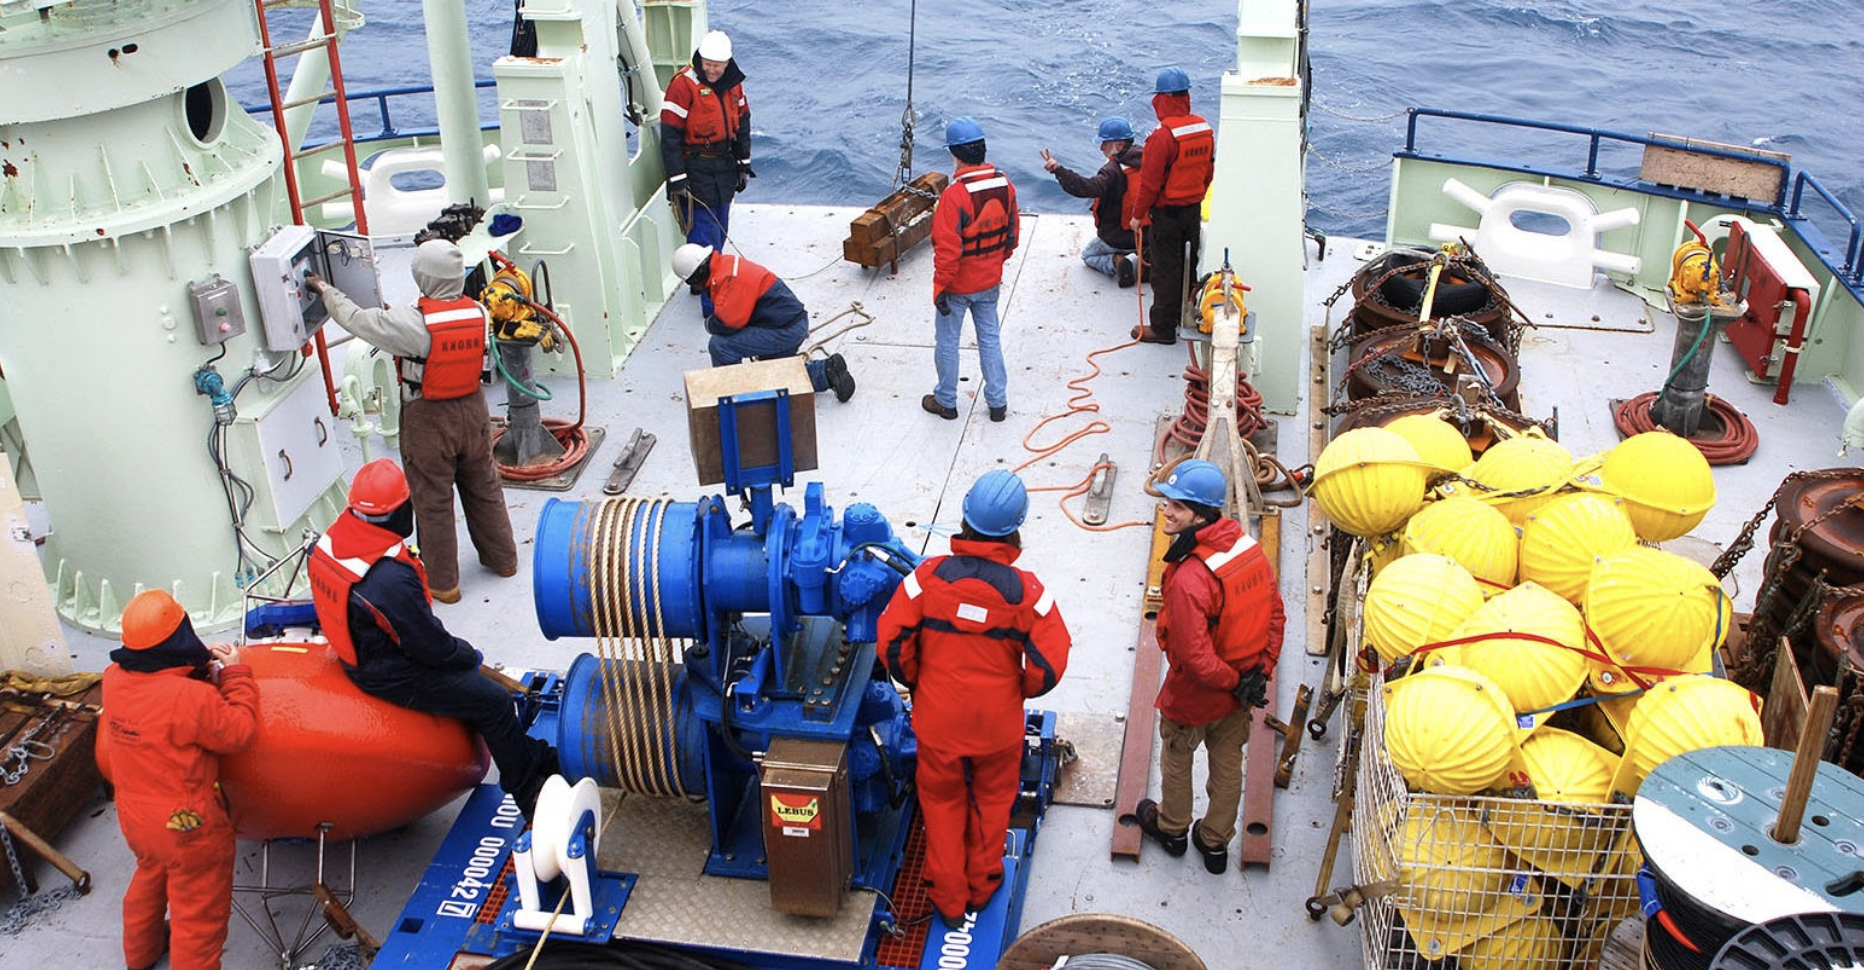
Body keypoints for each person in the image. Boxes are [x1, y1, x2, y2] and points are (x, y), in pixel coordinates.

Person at [308, 458, 558, 820]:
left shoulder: (333, 540)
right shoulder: (388, 579)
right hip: (389, 673)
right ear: (401, 510)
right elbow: (431, 648)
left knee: (475, 692)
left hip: (362, 651)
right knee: (494, 703)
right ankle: (528, 791)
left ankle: (527, 751)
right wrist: (469, 657)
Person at [875, 470, 1071, 928]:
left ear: (963, 520)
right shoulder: (1029, 593)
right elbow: (1049, 665)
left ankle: (947, 897)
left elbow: (891, 643)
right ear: (1017, 527)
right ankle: (983, 884)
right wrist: (1017, 691)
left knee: (941, 803)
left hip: (938, 723)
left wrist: (918, 683)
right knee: (992, 799)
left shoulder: (925, 580)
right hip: (997, 729)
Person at [306, 239, 516, 604]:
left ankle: (444, 584)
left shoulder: (410, 324)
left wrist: (324, 289)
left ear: (422, 277)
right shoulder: (479, 312)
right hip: (475, 412)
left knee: (433, 501)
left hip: (430, 420)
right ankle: (504, 560)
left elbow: (356, 320)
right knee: (484, 487)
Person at [1134, 459, 1284, 876]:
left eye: (1177, 506)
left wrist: (1234, 680)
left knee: (1178, 757)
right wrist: (1259, 674)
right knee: (1227, 762)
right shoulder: (1248, 549)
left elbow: (1195, 658)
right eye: (1167, 502)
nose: (1166, 510)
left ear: (1200, 515)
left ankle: (1173, 829)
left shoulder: (1189, 578)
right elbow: (1276, 614)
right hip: (1241, 689)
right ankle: (1215, 843)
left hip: (1198, 694)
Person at [103, 589, 260, 970]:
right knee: (198, 915)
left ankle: (140, 955)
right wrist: (235, 674)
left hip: (136, 818)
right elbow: (238, 733)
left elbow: (155, 704)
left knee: (149, 879)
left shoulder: (112, 678)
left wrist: (194, 674)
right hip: (189, 826)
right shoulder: (189, 698)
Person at [670, 243, 856, 402]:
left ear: (696, 276)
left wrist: (709, 324)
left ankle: (730, 393)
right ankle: (825, 372)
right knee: (770, 374)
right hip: (788, 323)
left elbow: (728, 324)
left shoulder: (727, 280)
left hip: (785, 330)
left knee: (720, 346)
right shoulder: (725, 265)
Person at [925, 117, 1020, 424]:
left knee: (948, 342)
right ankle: (997, 403)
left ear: (954, 154)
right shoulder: (1005, 184)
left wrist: (941, 288)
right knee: (990, 338)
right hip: (990, 280)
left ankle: (946, 402)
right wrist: (994, 263)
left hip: (957, 286)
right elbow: (1012, 235)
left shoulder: (954, 196)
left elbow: (947, 251)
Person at [1127, 67, 1215, 345]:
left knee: (1166, 272)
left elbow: (1150, 184)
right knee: (1189, 265)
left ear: (1161, 99)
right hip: (1192, 212)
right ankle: (1185, 315)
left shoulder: (1163, 137)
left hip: (1166, 216)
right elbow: (1208, 171)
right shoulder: (1204, 128)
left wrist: (1137, 216)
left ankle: (1163, 328)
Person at [661, 29, 752, 254]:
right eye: (707, 63)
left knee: (720, 226)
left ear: (727, 63)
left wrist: (743, 164)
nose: (711, 70)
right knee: (703, 233)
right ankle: (705, 282)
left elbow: (742, 124)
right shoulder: (682, 86)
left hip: (724, 167)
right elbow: (670, 135)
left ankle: (708, 277)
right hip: (696, 170)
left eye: (716, 65)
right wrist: (677, 179)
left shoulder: (734, 84)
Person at [1041, 116, 1144, 287]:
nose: (1101, 147)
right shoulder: (1150, 160)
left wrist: (1058, 170)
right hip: (1146, 235)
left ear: (1118, 146)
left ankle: (1118, 262)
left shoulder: (1112, 171)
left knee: (1089, 256)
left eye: (1105, 143)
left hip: (1118, 239)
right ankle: (1144, 260)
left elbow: (1086, 188)